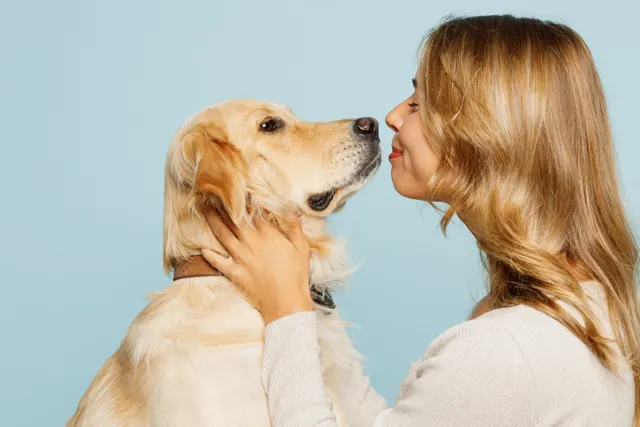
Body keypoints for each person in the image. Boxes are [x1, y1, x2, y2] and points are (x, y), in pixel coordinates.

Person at [201, 14, 638, 426]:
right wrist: (306, 297)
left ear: (487, 133)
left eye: (419, 103)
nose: (393, 115)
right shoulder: (591, 309)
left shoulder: (504, 352)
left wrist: (288, 313)